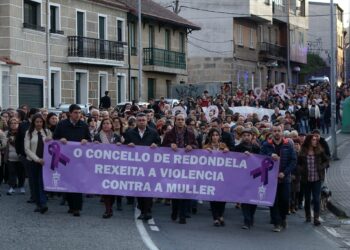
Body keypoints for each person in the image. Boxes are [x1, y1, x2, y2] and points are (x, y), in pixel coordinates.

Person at [53, 104, 91, 217]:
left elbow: (89, 139)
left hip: (79, 159)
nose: (78, 115)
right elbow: (55, 138)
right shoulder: (62, 124)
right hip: (65, 159)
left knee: (78, 183)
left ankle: (77, 208)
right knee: (68, 183)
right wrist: (61, 139)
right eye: (75, 112)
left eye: (79, 113)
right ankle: (70, 205)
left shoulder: (83, 125)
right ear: (70, 113)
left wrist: (86, 140)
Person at [123, 112, 161, 221]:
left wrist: (156, 145)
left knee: (148, 189)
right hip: (136, 167)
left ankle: (147, 211)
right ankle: (142, 210)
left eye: (143, 120)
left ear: (147, 121)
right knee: (139, 190)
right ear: (136, 121)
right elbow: (125, 146)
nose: (141, 122)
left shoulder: (153, 132)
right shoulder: (130, 133)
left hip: (150, 167)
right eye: (139, 120)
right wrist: (127, 145)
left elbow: (160, 144)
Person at [162, 113, 198, 224]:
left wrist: (191, 146)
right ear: (175, 121)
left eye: (182, 119)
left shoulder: (190, 134)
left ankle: (183, 215)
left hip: (186, 166)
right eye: (178, 119)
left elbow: (197, 146)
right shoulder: (168, 134)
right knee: (175, 191)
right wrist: (170, 146)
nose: (180, 121)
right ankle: (175, 211)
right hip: (173, 166)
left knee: (185, 191)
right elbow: (162, 147)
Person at [261, 124, 296, 232]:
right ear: (271, 132)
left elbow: (293, 160)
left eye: (278, 131)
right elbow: (260, 157)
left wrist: (284, 173)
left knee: (285, 200)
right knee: (273, 201)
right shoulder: (266, 145)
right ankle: (277, 223)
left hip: (284, 178)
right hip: (271, 179)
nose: (276, 133)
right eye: (274, 131)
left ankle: (283, 217)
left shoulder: (288, 145)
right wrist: (269, 155)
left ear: (282, 132)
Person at [298, 135, 329, 226]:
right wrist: (301, 169)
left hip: (317, 178)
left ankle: (316, 218)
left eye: (316, 140)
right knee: (307, 199)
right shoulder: (303, 151)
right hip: (306, 179)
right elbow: (298, 163)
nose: (315, 141)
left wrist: (321, 167)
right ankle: (308, 215)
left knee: (316, 199)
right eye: (313, 140)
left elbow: (327, 160)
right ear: (309, 141)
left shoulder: (319, 150)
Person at [93, 118, 122, 218]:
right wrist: (94, 145)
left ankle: (111, 205)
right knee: (105, 189)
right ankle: (108, 209)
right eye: (104, 123)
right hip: (102, 166)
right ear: (101, 125)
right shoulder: (97, 136)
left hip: (114, 166)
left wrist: (120, 145)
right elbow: (91, 151)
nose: (106, 125)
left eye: (108, 123)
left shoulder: (116, 136)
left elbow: (122, 151)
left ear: (111, 125)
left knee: (112, 188)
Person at [24, 114, 52, 214]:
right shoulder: (29, 133)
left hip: (45, 162)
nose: (39, 124)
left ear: (43, 122)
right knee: (35, 183)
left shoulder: (47, 132)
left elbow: (52, 146)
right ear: (34, 123)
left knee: (42, 182)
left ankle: (43, 203)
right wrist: (37, 159)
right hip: (33, 161)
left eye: (41, 122)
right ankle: (38, 203)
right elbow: (27, 149)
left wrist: (50, 140)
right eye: (37, 122)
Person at [234, 128, 260, 229]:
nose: (246, 137)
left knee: (253, 198)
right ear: (241, 137)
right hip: (242, 176)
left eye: (248, 135)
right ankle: (246, 220)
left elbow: (260, 160)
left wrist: (252, 156)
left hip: (254, 176)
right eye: (244, 135)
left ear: (252, 136)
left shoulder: (256, 148)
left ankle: (251, 216)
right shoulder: (237, 148)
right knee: (245, 198)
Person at [203, 128, 229, 226]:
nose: (215, 137)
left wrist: (227, 151)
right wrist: (205, 152)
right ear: (210, 137)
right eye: (213, 135)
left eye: (216, 135)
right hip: (211, 175)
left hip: (222, 175)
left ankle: (221, 215)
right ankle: (215, 218)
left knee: (223, 196)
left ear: (219, 136)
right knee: (213, 196)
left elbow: (230, 159)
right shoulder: (206, 146)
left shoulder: (223, 146)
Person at [2, 117, 25, 195]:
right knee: (11, 173)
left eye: (15, 123)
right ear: (9, 124)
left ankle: (21, 186)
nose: (13, 125)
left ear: (18, 124)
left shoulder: (22, 133)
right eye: (11, 123)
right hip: (10, 157)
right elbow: (3, 144)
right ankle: (12, 187)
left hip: (20, 156)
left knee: (21, 173)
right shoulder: (6, 133)